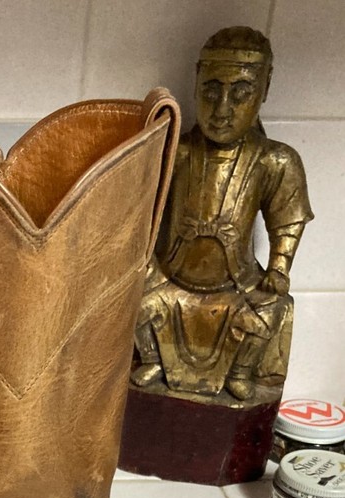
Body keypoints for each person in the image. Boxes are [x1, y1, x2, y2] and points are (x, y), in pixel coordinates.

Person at [131, 26, 312, 404]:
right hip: (172, 281)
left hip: (236, 286)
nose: (222, 109)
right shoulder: (174, 152)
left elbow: (287, 219)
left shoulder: (275, 160)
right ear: (196, 82)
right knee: (130, 296)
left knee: (271, 309)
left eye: (241, 93)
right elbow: (139, 217)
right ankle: (152, 358)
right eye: (212, 91)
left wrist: (279, 267)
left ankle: (240, 371)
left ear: (264, 90)